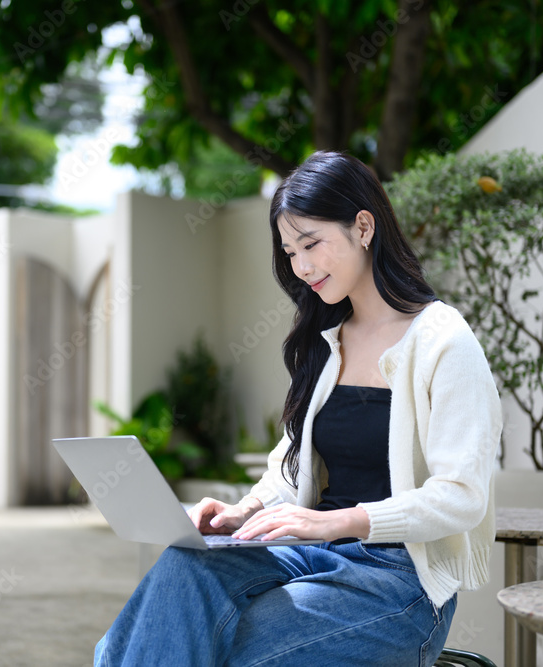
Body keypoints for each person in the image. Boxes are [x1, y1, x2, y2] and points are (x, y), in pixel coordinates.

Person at [94, 151, 502, 667]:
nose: (301, 266)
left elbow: (462, 496)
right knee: (183, 570)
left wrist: (338, 523)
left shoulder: (444, 341)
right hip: (312, 557)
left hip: (397, 582)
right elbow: (292, 468)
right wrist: (242, 513)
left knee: (204, 649)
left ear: (363, 226)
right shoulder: (327, 340)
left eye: (311, 244)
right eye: (290, 252)